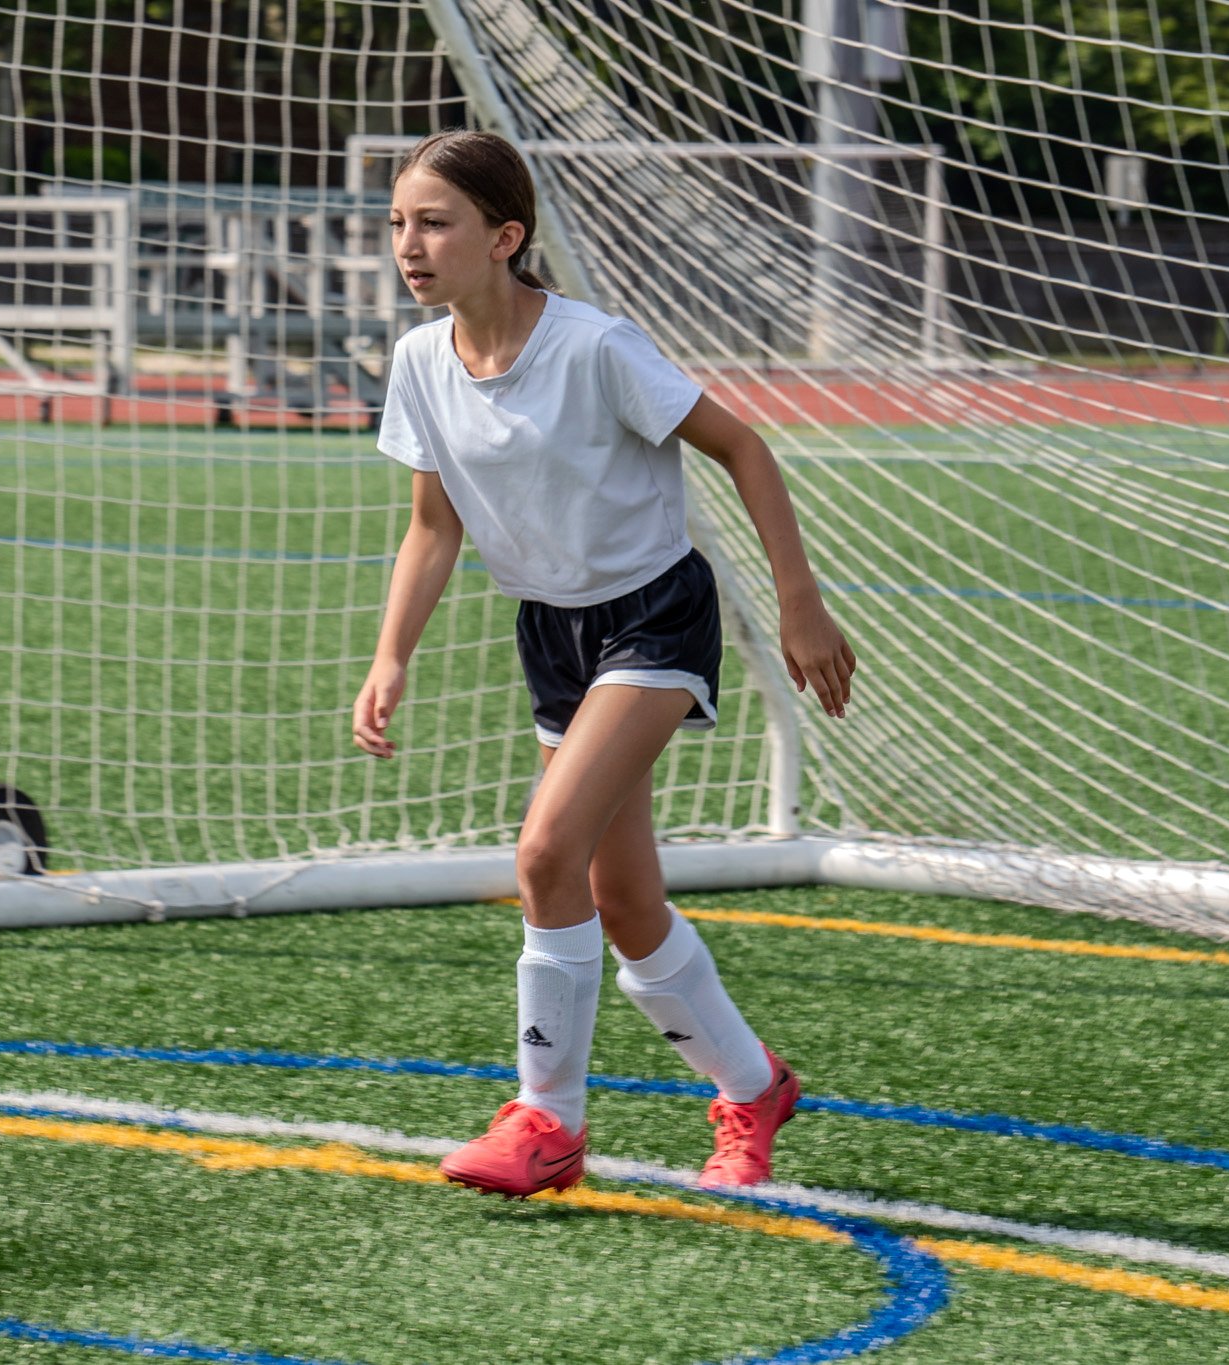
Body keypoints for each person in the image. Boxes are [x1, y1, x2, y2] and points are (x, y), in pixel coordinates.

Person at [351, 129, 857, 1199]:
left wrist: (799, 603)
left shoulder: (593, 346)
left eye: (434, 222)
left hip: (654, 618)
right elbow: (433, 527)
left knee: (545, 855)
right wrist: (390, 657)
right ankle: (753, 1087)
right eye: (398, 222)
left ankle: (547, 1119)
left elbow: (744, 447)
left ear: (505, 237)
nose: (409, 244)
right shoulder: (419, 362)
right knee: (620, 901)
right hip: (553, 633)